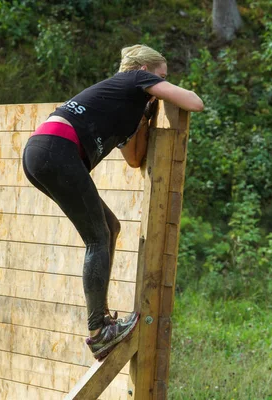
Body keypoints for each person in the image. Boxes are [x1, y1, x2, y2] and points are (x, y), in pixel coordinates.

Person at [22, 44, 204, 360]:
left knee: (110, 227)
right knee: (97, 238)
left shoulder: (122, 104)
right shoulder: (133, 80)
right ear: (143, 72)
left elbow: (134, 158)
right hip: (55, 150)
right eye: (161, 79)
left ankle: (103, 322)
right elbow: (194, 102)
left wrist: (145, 120)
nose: (160, 87)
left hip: (43, 153)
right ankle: (99, 331)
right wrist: (159, 93)